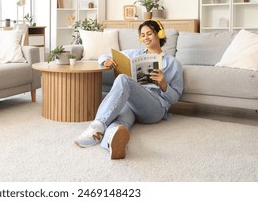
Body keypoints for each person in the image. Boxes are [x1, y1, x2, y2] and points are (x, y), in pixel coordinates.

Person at [74, 19, 184, 159]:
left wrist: (163, 84)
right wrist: (105, 61)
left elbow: (175, 97)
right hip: (132, 104)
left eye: (149, 33)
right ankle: (111, 143)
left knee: (123, 79)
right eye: (142, 35)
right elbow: (105, 55)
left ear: (159, 34)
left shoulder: (173, 63)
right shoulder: (135, 54)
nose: (145, 38)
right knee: (118, 121)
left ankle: (97, 125)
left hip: (154, 108)